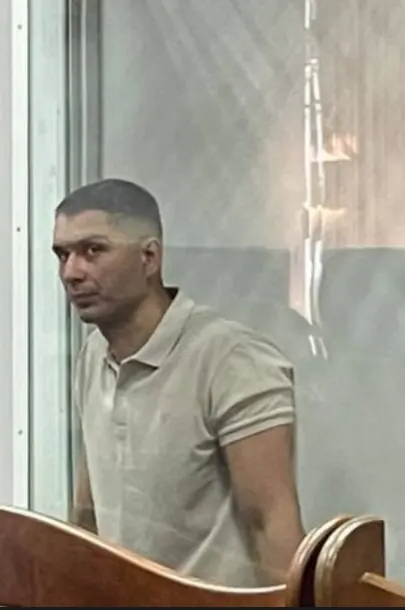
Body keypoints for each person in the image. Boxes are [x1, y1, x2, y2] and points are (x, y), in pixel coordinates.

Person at [55, 178, 304, 587]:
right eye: (63, 254)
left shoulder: (231, 359)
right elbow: (89, 512)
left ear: (149, 257)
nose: (71, 272)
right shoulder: (93, 355)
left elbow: (270, 523)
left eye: (93, 250)